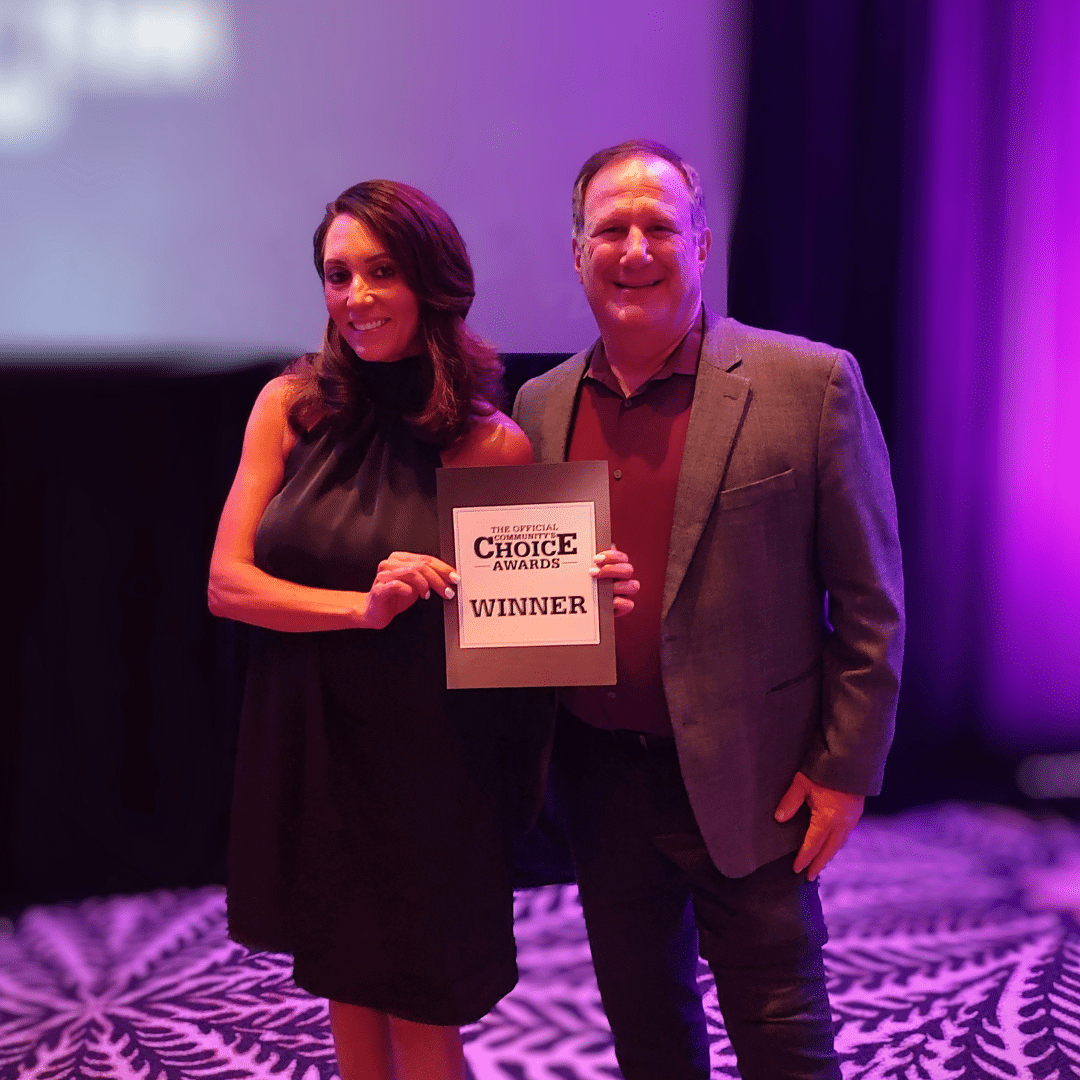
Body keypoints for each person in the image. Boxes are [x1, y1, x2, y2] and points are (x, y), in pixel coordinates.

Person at [208, 180, 634, 1080]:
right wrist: (360, 608)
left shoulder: (491, 442)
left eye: (381, 272)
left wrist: (585, 598)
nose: (355, 297)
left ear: (432, 282)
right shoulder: (289, 405)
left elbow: (519, 636)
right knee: (346, 990)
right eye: (337, 275)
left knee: (423, 1013)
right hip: (314, 747)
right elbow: (228, 584)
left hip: (432, 765)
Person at [512, 140, 905, 1080]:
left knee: (784, 1039)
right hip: (602, 784)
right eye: (612, 228)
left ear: (702, 245)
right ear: (577, 254)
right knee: (647, 1034)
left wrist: (844, 772)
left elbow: (870, 602)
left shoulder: (810, 386)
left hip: (757, 778)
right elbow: (529, 602)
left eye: (660, 226)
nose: (635, 248)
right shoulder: (537, 406)